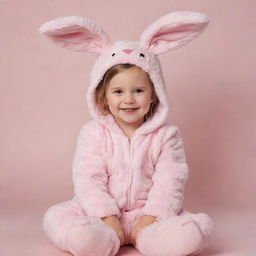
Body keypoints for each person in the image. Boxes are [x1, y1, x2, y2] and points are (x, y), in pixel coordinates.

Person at [39, 11, 213, 256]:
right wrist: (107, 216)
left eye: (139, 90)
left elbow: (170, 180)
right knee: (56, 216)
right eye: (118, 91)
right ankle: (95, 239)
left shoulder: (167, 135)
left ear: (154, 94)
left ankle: (160, 238)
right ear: (102, 95)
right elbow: (88, 178)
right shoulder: (93, 134)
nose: (129, 99)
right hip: (99, 215)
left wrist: (151, 217)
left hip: (148, 216)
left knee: (189, 227)